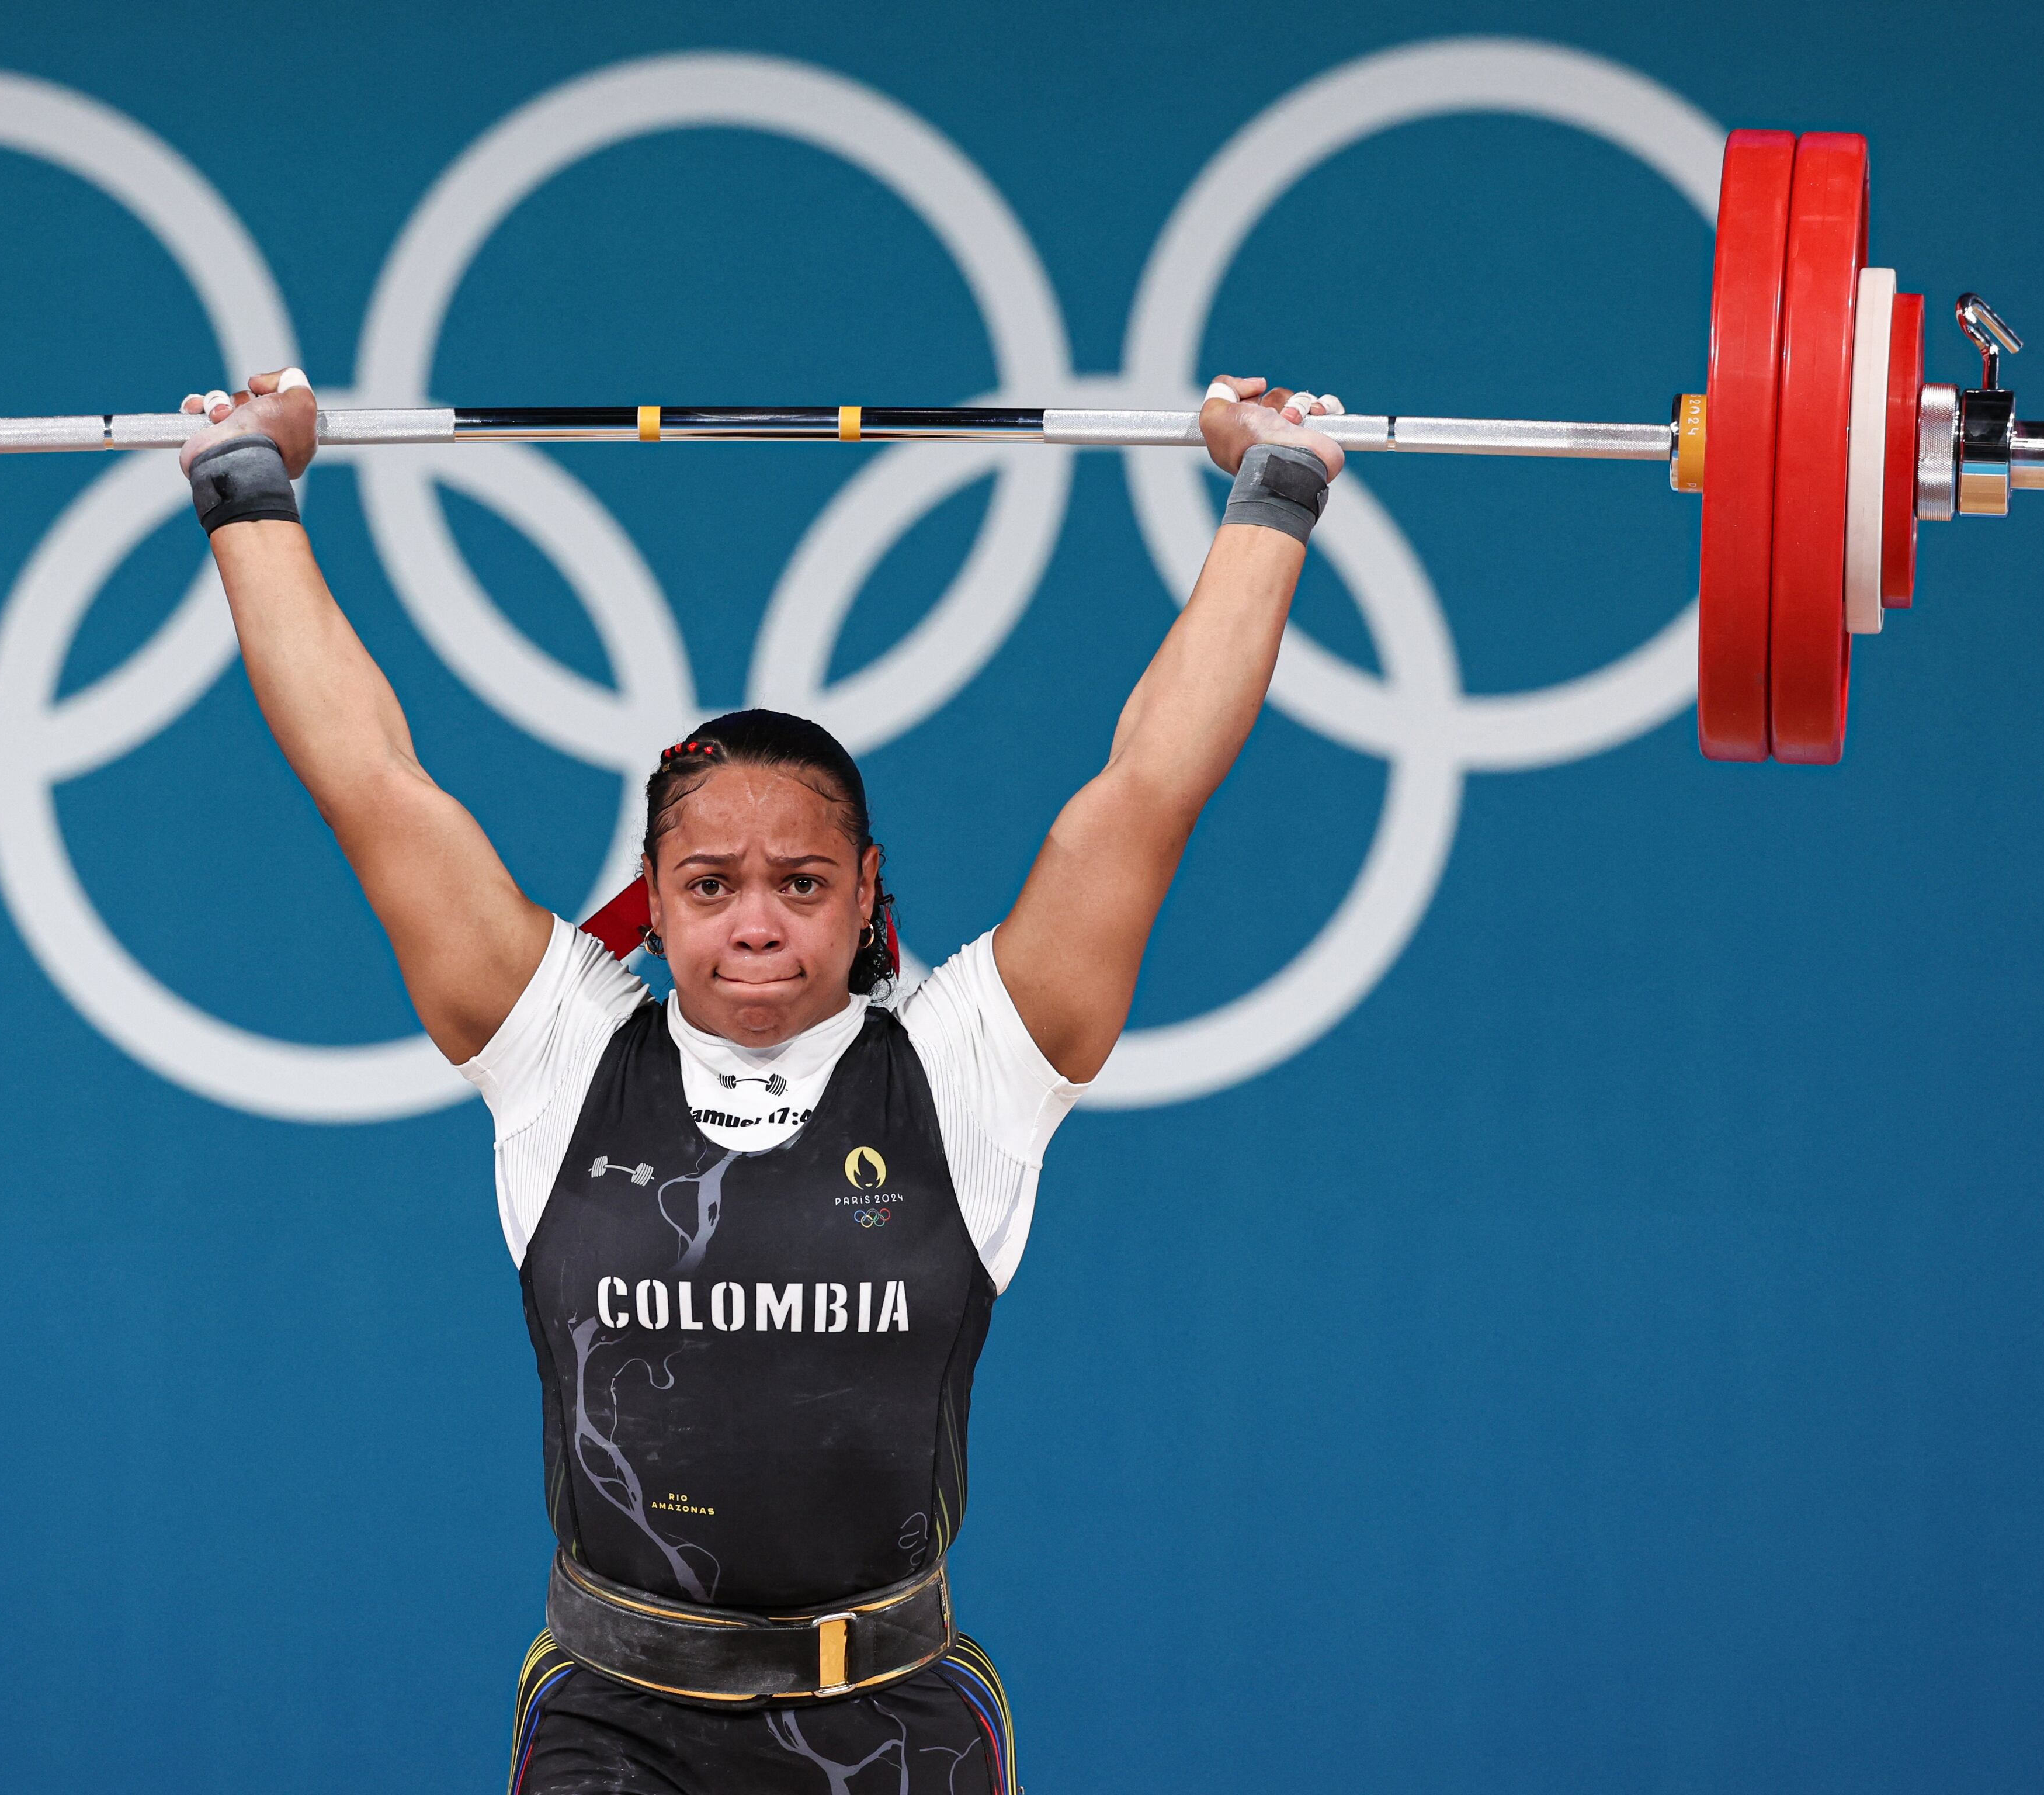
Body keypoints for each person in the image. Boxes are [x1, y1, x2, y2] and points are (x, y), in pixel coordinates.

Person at [175, 369, 1344, 1794]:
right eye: (709, 885)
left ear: (866, 897)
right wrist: (248, 487)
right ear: (652, 907)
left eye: (800, 883)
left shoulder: (972, 1060)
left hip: (895, 1728)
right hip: (615, 1728)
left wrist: (1274, 491)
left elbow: (1148, 788)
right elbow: (369, 780)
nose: (755, 922)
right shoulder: (559, 1047)